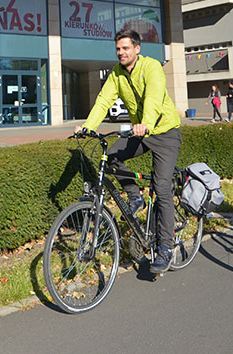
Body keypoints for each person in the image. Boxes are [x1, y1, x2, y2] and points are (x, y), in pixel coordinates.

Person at [76, 29, 182, 273]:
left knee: (162, 188)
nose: (121, 53)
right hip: (140, 132)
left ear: (137, 49)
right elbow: (104, 100)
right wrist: (88, 127)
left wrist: (145, 123)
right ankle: (135, 196)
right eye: (118, 49)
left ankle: (165, 247)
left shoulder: (152, 67)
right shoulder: (116, 73)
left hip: (163, 132)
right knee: (110, 157)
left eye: (125, 48)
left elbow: (154, 98)